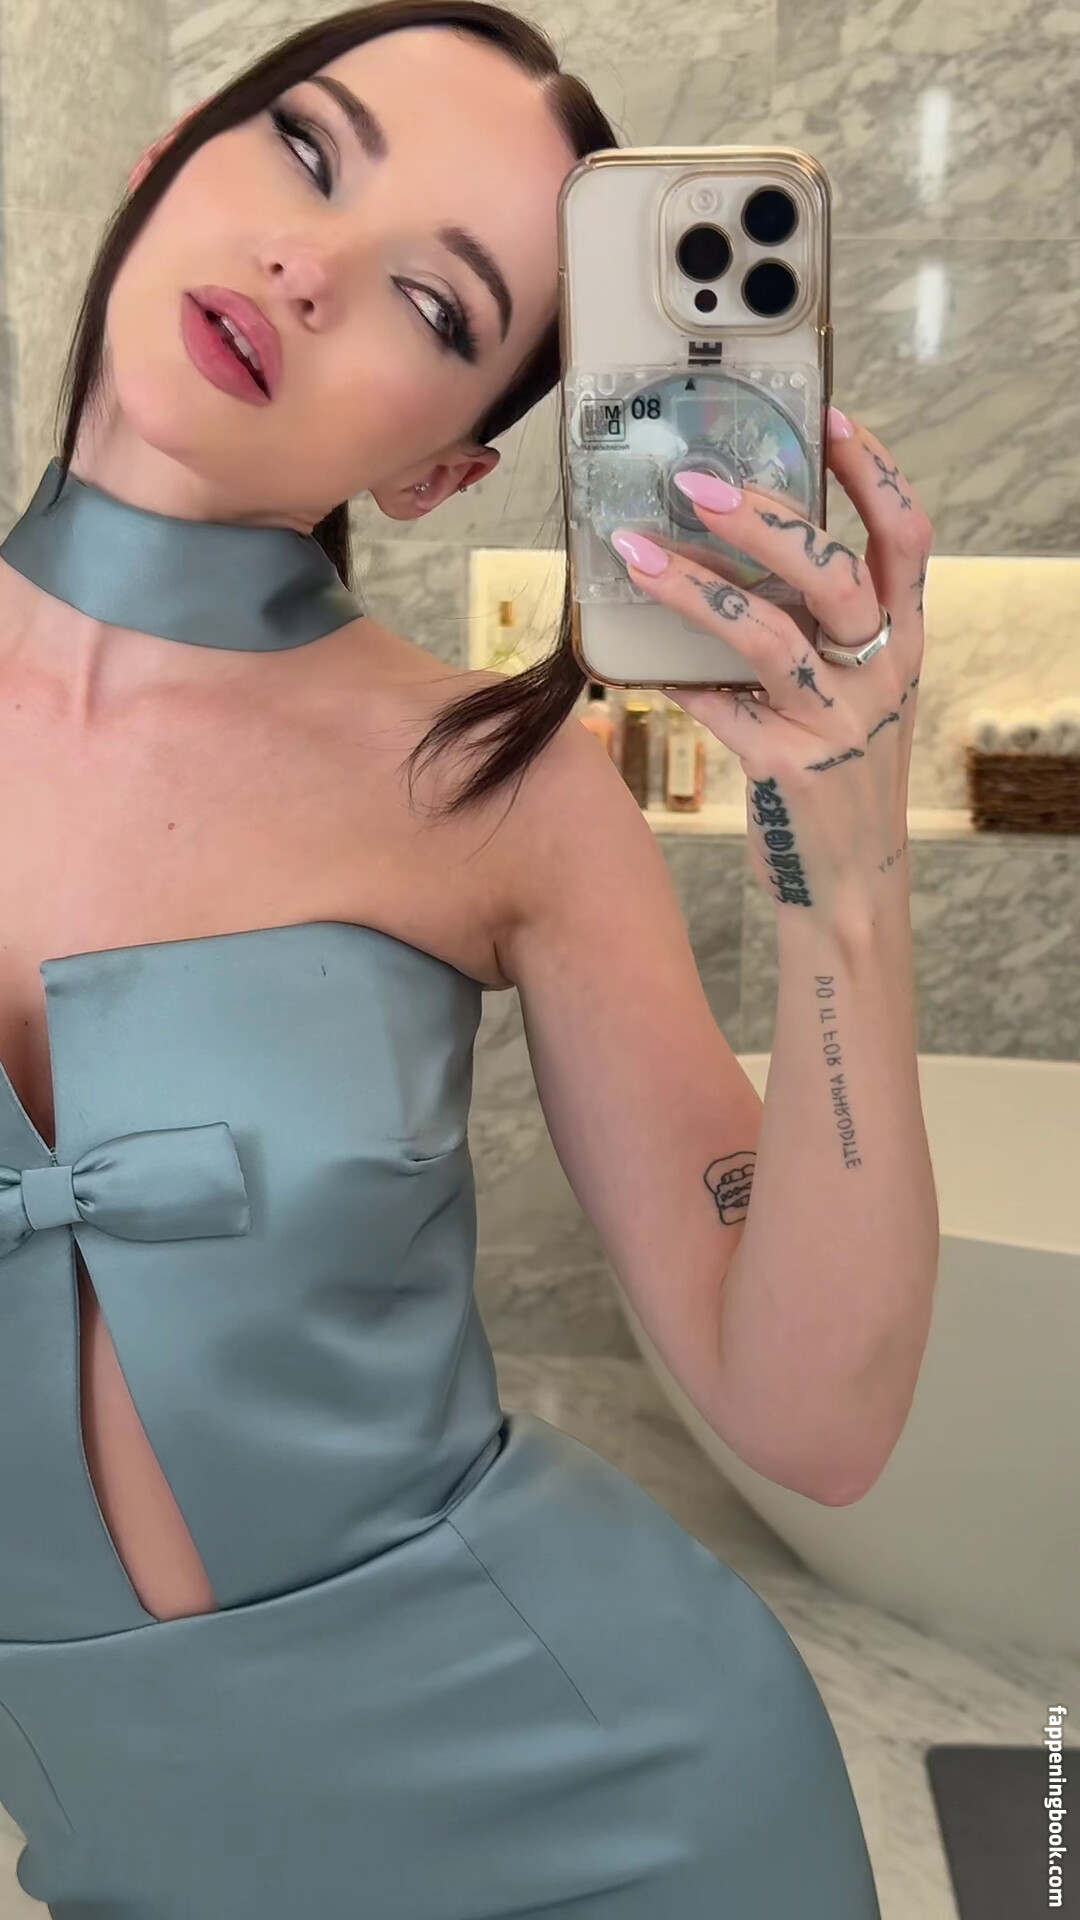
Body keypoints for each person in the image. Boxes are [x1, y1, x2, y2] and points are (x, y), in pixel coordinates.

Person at [0, 3, 934, 1914]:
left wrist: (845, 868)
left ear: (444, 473)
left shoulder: (497, 784)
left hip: (605, 1814)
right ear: (160, 165)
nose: (310, 265)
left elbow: (813, 1423)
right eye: (306, 150)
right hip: (130, 1843)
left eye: (436, 306)